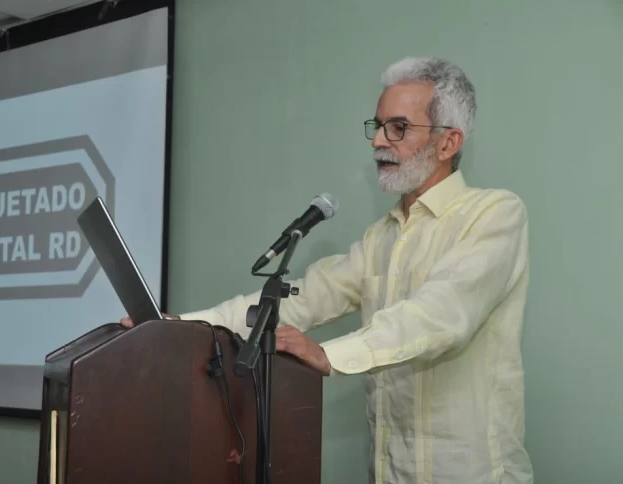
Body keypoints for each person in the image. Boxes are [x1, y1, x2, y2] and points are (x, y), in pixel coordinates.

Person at [121, 56, 533, 484]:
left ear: (448, 144)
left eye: (398, 127)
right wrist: (175, 326)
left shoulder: (494, 215)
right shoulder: (381, 237)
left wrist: (329, 354)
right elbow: (298, 299)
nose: (378, 142)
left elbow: (441, 315)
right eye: (377, 126)